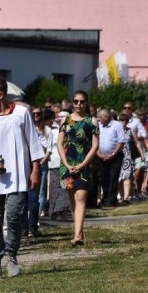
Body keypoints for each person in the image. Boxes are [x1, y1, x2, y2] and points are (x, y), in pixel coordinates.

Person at [0, 77, 43, 281]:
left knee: (13, 218)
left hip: (18, 177)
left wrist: (35, 169)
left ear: (0, 94)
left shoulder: (21, 114)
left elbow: (33, 143)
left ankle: (11, 256)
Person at [57, 90, 99, 246]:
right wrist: (67, 164)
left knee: (81, 197)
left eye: (82, 101)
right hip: (68, 164)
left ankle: (78, 236)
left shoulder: (91, 121)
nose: (79, 104)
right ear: (72, 102)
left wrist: (82, 165)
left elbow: (95, 146)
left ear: (86, 102)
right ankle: (78, 231)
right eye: (76, 101)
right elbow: (59, 143)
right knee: (73, 199)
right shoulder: (66, 121)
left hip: (84, 163)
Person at [94, 108, 126, 207]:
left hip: (115, 157)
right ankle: (106, 198)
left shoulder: (117, 125)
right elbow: (95, 141)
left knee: (113, 178)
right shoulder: (98, 126)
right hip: (101, 157)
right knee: (103, 179)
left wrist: (113, 155)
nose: (98, 119)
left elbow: (121, 142)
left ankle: (112, 200)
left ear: (106, 117)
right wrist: (98, 153)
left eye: (100, 117)